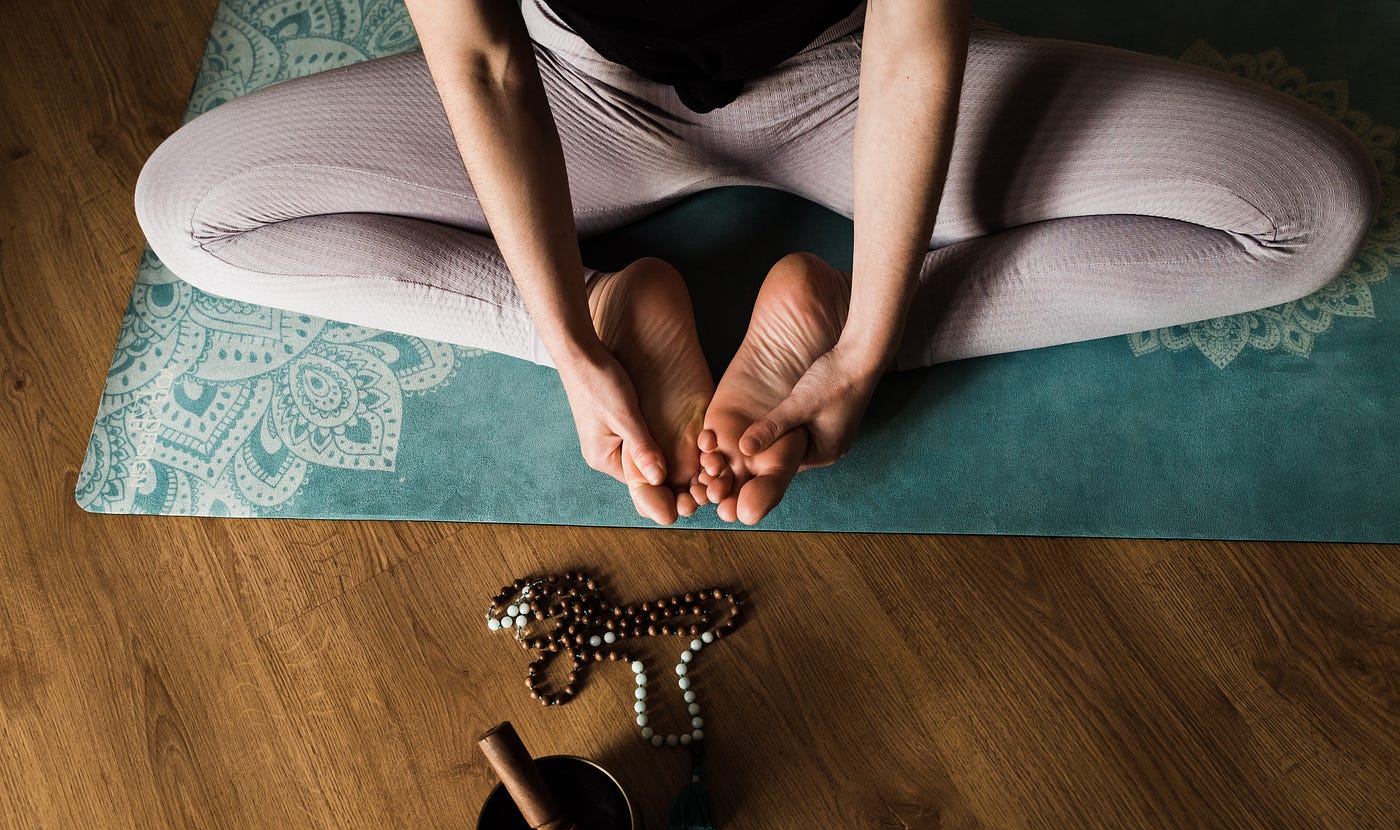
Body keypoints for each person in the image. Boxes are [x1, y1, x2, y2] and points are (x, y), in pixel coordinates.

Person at [135, 0, 1381, 526]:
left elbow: (909, 50)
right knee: (191, 210)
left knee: (1300, 211)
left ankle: (829, 303)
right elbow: (483, 62)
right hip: (578, 95)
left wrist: (863, 344)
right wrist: (563, 338)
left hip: (849, 80)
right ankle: (622, 302)